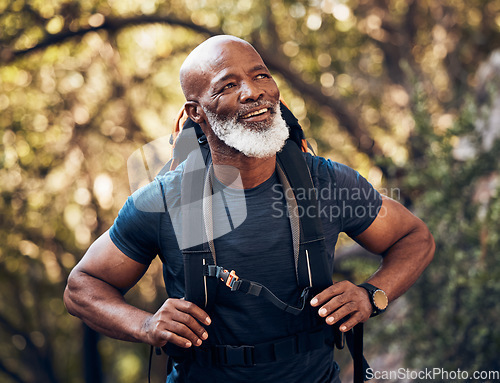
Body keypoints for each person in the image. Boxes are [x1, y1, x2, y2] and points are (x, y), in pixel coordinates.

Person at [64, 35, 435, 383]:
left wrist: (372, 295)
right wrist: (145, 326)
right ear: (197, 112)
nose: (253, 91)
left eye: (261, 76)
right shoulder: (162, 202)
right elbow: (82, 288)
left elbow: (414, 237)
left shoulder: (328, 183)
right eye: (228, 85)